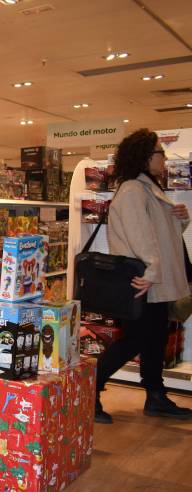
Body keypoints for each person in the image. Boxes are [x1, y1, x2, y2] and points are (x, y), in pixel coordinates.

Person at [95, 128, 192, 423]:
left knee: (154, 339)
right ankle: (89, 389)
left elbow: (160, 236)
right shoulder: (135, 190)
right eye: (159, 152)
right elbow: (140, 238)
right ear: (146, 157)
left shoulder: (146, 187)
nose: (163, 159)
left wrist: (181, 219)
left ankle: (156, 394)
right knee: (135, 340)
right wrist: (150, 270)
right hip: (144, 281)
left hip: (153, 281)